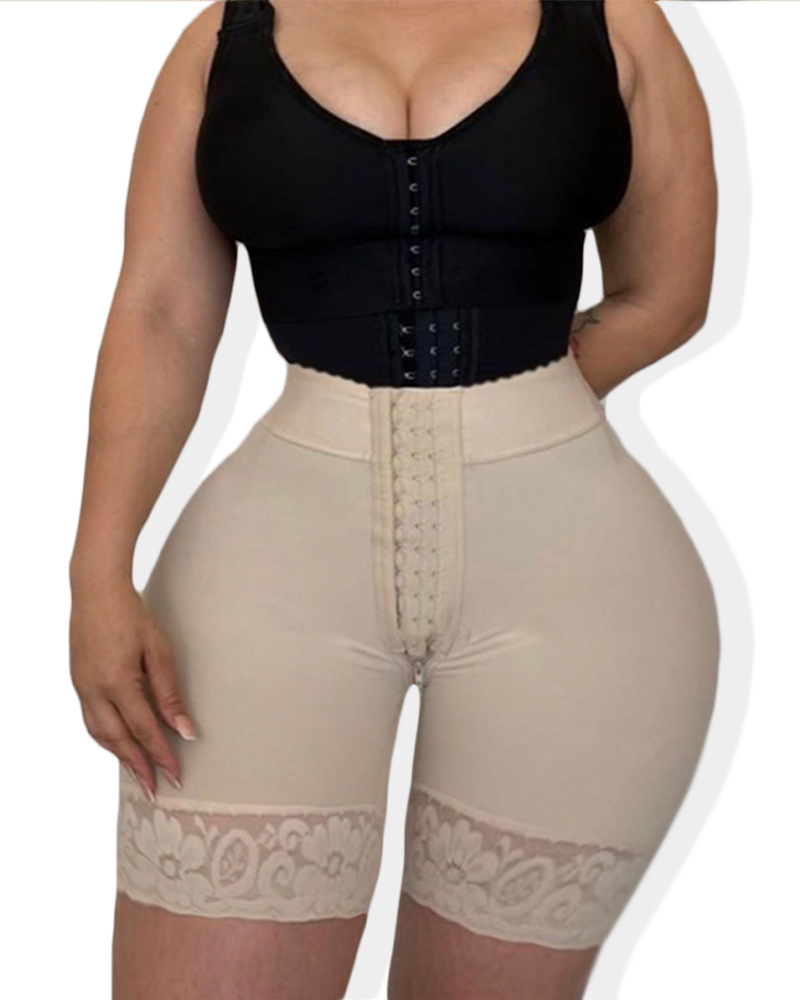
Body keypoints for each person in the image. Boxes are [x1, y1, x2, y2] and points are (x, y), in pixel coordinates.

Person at [68, 2, 719, 998]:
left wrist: (514, 411)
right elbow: (160, 312)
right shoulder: (221, 41)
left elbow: (668, 292)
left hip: (577, 575)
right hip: (271, 562)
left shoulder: (614, 21)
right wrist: (96, 574)